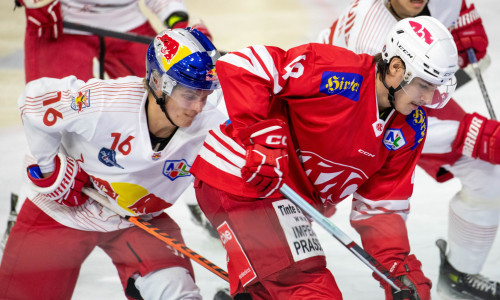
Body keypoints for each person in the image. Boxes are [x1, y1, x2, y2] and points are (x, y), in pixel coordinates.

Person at [190, 16, 458, 300]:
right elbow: (244, 64)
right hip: (244, 178)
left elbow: (381, 207)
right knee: (306, 287)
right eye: (424, 85)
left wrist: (396, 266)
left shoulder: (412, 126)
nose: (429, 99)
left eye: (437, 88)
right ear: (395, 68)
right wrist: (263, 140)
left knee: (273, 290)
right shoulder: (337, 72)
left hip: (290, 203)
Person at [0, 28, 227, 299]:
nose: (198, 107)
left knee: (181, 296)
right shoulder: (105, 102)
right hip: (59, 213)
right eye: (189, 96)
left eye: (204, 95)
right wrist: (48, 170)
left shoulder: (212, 122)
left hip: (139, 222)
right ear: (157, 82)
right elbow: (34, 99)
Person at [317, 1, 500, 299]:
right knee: (314, 196)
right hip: (341, 106)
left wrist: (463, 16)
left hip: (410, 91)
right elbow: (383, 130)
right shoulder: (371, 38)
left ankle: (460, 273)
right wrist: (474, 135)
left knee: (487, 172)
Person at [15, 0, 191, 83]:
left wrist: (174, 16)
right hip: (63, 23)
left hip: (128, 20)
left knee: (170, 89)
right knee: (53, 103)